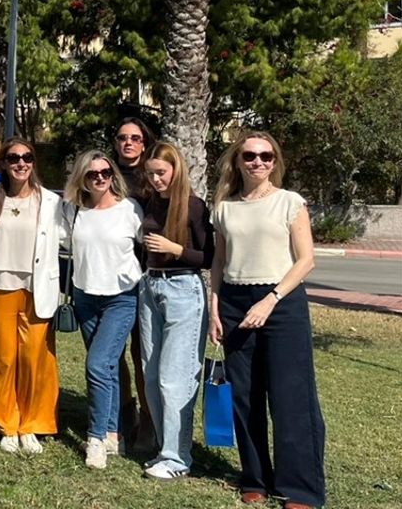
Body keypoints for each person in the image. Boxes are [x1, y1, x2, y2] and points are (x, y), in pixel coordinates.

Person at [209, 132, 323, 509]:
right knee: (245, 395)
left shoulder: (289, 202)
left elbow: (306, 260)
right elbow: (219, 262)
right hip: (234, 302)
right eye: (250, 156)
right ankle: (255, 477)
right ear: (237, 161)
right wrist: (214, 308)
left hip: (282, 302)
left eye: (266, 156)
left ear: (275, 161)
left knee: (291, 396)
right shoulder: (224, 208)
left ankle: (300, 489)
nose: (258, 162)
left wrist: (270, 300)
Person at [0, 138, 64, 455]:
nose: (21, 163)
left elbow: (67, 238)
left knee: (34, 359)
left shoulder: (51, 202)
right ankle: (6, 424)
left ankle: (31, 424)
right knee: (0, 359)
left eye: (27, 157)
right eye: (13, 158)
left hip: (37, 288)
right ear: (3, 163)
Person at [137, 140, 214, 480]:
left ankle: (178, 458)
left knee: (174, 377)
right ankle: (165, 448)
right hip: (150, 287)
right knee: (152, 375)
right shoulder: (151, 202)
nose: (156, 179)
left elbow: (209, 258)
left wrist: (175, 248)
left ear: (176, 170)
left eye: (161, 173)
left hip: (183, 288)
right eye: (151, 173)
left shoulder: (194, 207)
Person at [64, 149, 143, 470]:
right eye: (92, 173)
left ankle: (95, 438)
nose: (99, 178)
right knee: (108, 368)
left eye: (105, 173)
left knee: (97, 364)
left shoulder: (129, 209)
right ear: (82, 177)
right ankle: (113, 433)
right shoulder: (74, 210)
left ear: (113, 176)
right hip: (85, 297)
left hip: (121, 298)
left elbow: (148, 247)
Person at [113, 117, 156, 448]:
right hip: (111, 277)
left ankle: (148, 418)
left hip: (146, 276)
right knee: (113, 353)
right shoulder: (105, 174)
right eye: (123, 137)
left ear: (144, 143)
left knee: (144, 352)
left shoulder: (153, 177)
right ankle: (124, 411)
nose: (128, 143)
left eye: (135, 138)